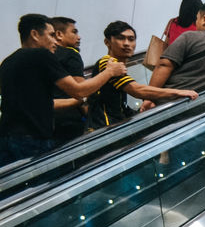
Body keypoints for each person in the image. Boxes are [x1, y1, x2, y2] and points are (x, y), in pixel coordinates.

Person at [0, 13, 125, 163]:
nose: (55, 41)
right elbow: (79, 90)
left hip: (6, 140)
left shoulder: (7, 62)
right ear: (34, 34)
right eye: (51, 35)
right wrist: (110, 71)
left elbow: (34, 104)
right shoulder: (41, 55)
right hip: (34, 140)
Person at [89, 21, 198, 128]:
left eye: (131, 39)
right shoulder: (108, 63)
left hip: (112, 125)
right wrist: (179, 92)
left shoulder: (119, 66)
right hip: (104, 128)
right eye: (120, 38)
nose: (127, 43)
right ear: (107, 42)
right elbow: (137, 90)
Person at [49, 16, 88, 142]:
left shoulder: (47, 56)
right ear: (59, 34)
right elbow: (82, 91)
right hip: (70, 120)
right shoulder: (71, 54)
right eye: (74, 32)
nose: (79, 37)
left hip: (49, 122)